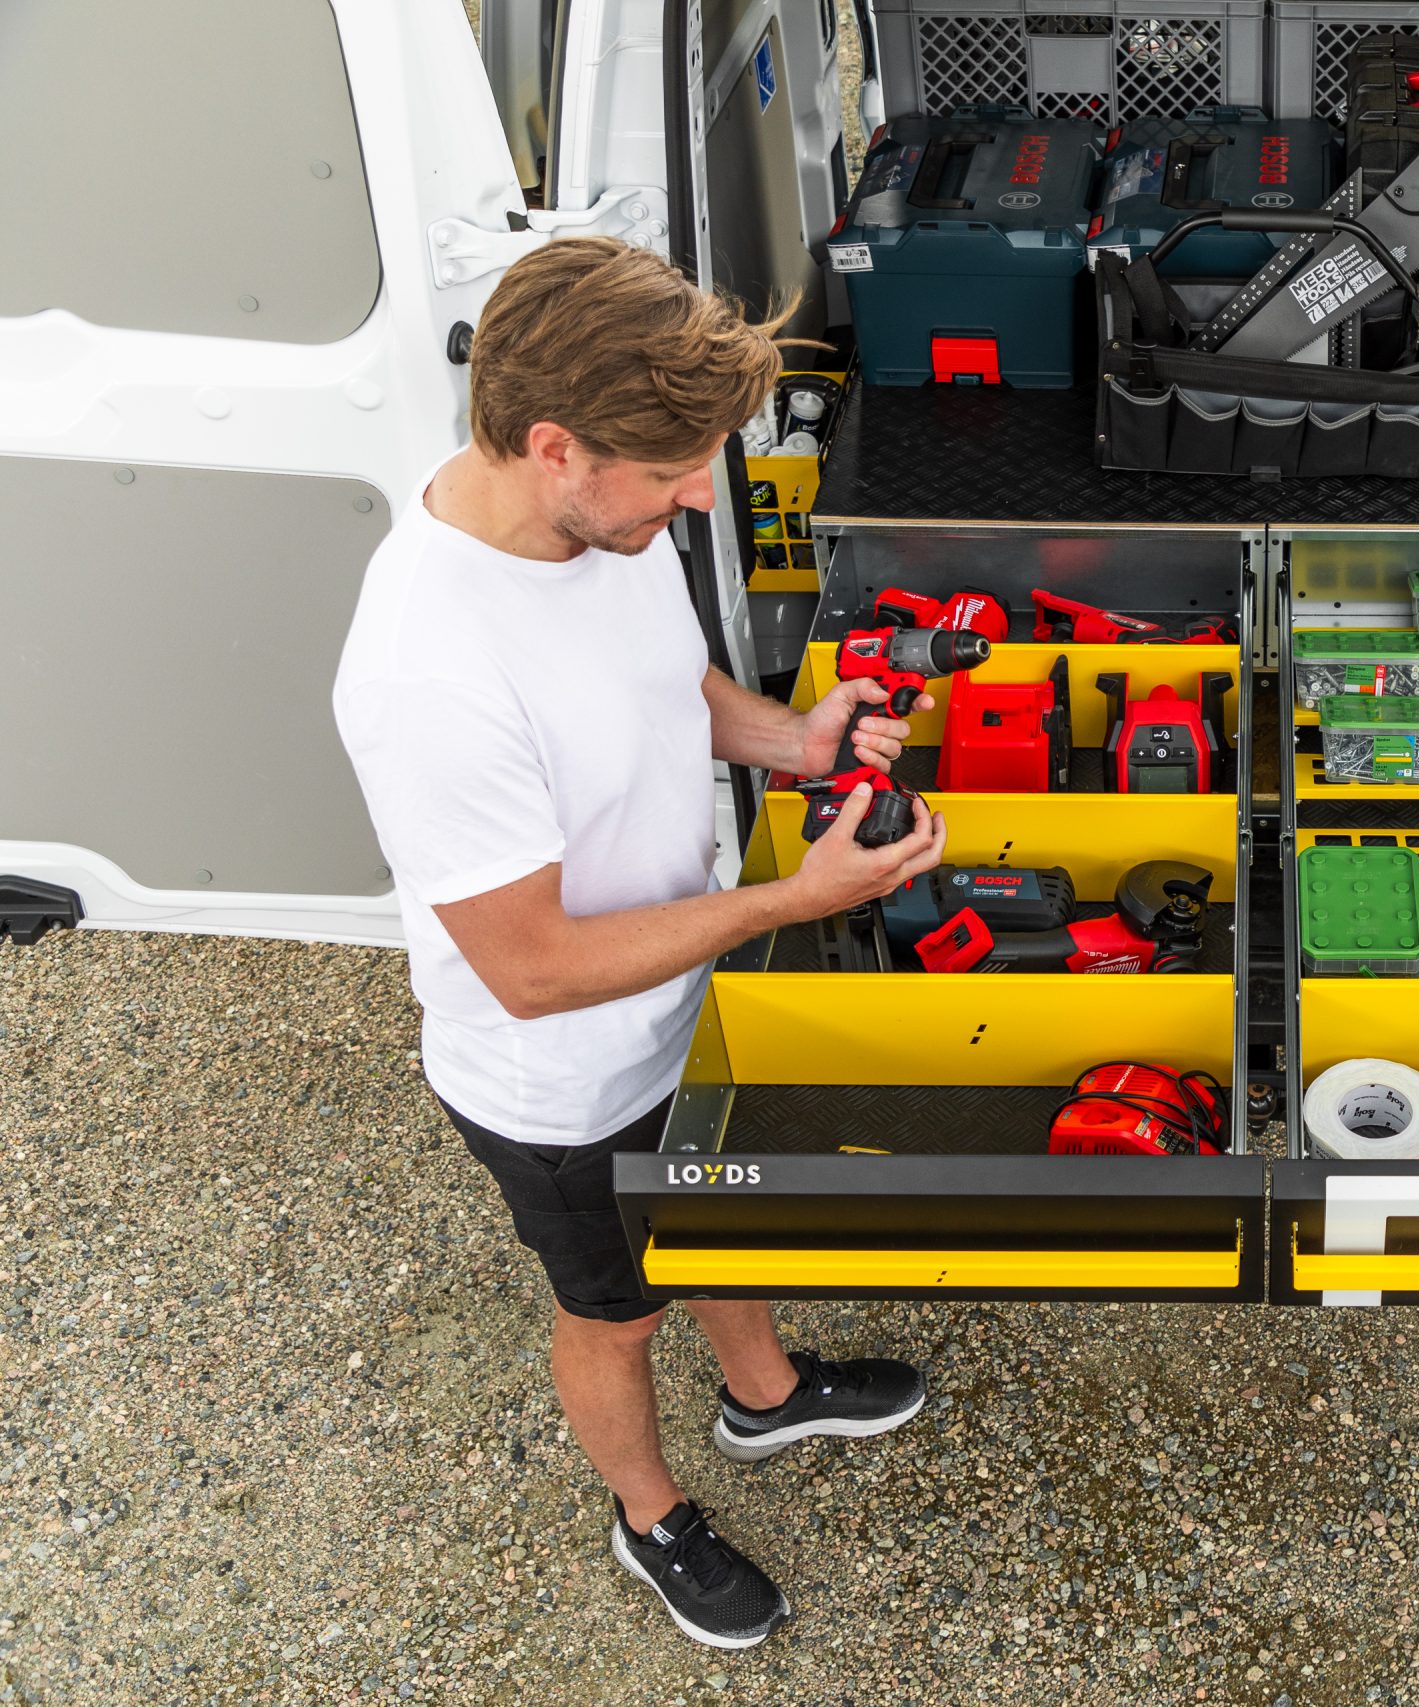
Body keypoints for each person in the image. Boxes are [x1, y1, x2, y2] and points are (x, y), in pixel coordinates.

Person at [332, 238, 950, 1650]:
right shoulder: (432, 671)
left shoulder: (595, 522)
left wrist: (792, 740)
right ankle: (650, 1513)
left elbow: (669, 680)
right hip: (567, 1082)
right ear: (554, 444)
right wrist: (789, 901)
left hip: (681, 998)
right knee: (616, 1311)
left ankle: (766, 1396)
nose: (699, 495)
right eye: (673, 471)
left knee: (716, 1210)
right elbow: (532, 971)